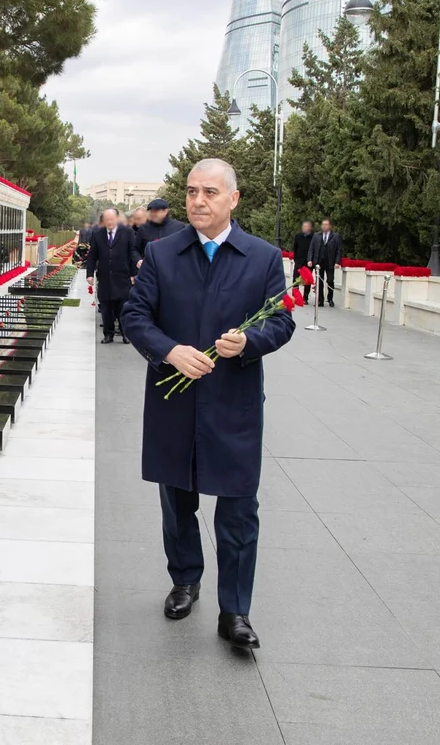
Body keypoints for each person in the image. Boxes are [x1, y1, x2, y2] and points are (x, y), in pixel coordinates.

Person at [121, 158, 295, 650]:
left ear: (233, 199)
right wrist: (169, 350)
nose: (198, 200)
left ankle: (235, 611)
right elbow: (136, 316)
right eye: (192, 191)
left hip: (233, 404)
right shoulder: (162, 254)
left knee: (239, 509)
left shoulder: (262, 258)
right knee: (177, 502)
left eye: (210, 193)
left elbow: (281, 322)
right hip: (174, 404)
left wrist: (251, 342)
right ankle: (185, 579)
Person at [85, 208, 139, 344]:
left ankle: (125, 334)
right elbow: (92, 256)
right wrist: (90, 274)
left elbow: (133, 254)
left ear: (117, 219)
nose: (109, 222)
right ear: (104, 220)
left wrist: (134, 274)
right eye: (106, 219)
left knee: (123, 307)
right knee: (106, 308)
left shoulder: (127, 233)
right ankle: (108, 334)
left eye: (112, 219)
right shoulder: (97, 235)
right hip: (104, 278)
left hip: (122, 277)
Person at [134, 198, 186, 267]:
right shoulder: (143, 228)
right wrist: (138, 260)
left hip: (173, 269)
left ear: (165, 211)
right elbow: (135, 249)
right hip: (149, 270)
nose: (153, 214)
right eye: (151, 211)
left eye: (156, 211)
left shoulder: (179, 227)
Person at [308, 218, 342, 306]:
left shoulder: (335, 236)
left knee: (330, 280)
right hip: (319, 262)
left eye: (326, 224)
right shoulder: (316, 235)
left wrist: (337, 262)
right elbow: (311, 248)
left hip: (330, 262)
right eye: (323, 224)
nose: (324, 226)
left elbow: (339, 250)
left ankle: (330, 299)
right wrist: (310, 260)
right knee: (319, 282)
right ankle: (320, 300)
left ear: (330, 226)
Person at [292, 220, 314, 284]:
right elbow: (295, 248)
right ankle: (295, 292)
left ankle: (306, 294)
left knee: (307, 281)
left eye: (306, 226)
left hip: (308, 262)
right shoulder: (298, 236)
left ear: (310, 227)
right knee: (295, 278)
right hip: (299, 261)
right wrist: (296, 259)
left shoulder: (314, 237)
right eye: (303, 226)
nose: (304, 228)